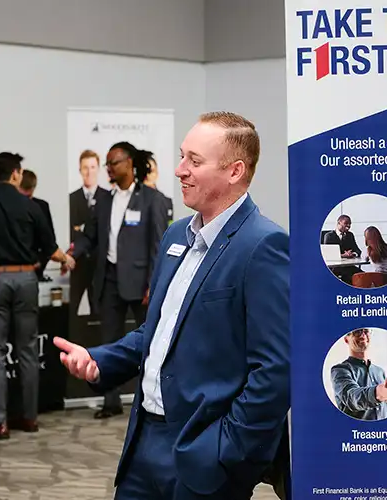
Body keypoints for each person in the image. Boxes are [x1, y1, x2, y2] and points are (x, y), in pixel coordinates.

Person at [55, 111, 290, 499]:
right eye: (183, 156)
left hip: (206, 452)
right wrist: (102, 360)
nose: (180, 170)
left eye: (194, 161)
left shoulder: (263, 245)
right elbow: (159, 330)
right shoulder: (177, 235)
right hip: (143, 442)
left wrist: (226, 450)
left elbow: (275, 370)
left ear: (234, 171)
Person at [0, 152, 75, 439]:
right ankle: (30, 418)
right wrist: (66, 260)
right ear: (15, 174)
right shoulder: (30, 206)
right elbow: (50, 248)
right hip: (26, 280)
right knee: (28, 350)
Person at [68, 142, 170, 419]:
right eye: (108, 164)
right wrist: (73, 252)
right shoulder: (103, 200)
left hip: (141, 283)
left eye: (114, 162)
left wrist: (154, 283)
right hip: (109, 281)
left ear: (129, 164)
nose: (109, 168)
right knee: (109, 341)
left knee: (150, 341)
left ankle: (152, 398)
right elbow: (90, 235)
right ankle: (110, 401)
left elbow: (158, 246)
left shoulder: (152, 199)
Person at [330, 328, 387, 421]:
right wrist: (382, 392)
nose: (363, 335)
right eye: (357, 332)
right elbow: (352, 397)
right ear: (346, 339)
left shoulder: (379, 371)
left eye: (366, 331)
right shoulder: (340, 370)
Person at [69, 150, 110, 312]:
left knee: (99, 312)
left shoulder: (109, 198)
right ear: (80, 170)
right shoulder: (71, 198)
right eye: (85, 167)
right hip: (77, 264)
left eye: (93, 167)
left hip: (100, 265)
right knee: (71, 310)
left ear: (98, 169)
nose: (89, 172)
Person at [17, 169, 57, 280]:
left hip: (35, 269)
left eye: (28, 196)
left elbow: (49, 242)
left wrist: (39, 263)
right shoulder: (7, 207)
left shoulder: (41, 206)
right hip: (12, 268)